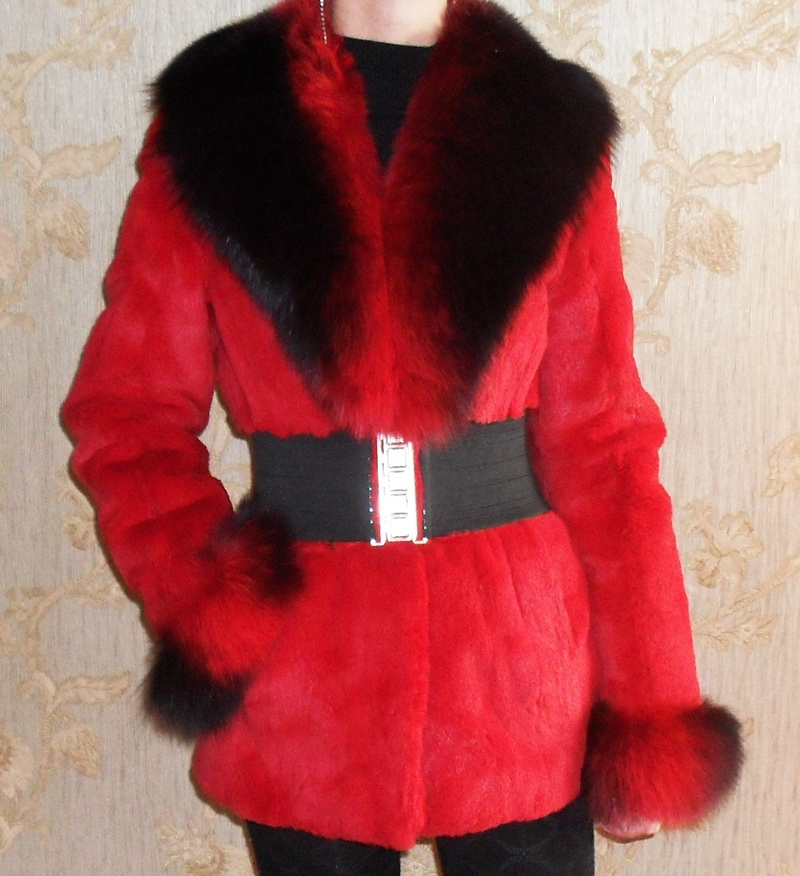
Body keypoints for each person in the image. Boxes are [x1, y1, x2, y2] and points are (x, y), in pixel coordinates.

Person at [62, 0, 743, 873]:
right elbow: (128, 415)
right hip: (309, 687)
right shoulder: (219, 122)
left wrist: (650, 709)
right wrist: (215, 608)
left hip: (519, 680)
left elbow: (604, 442)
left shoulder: (547, 129)